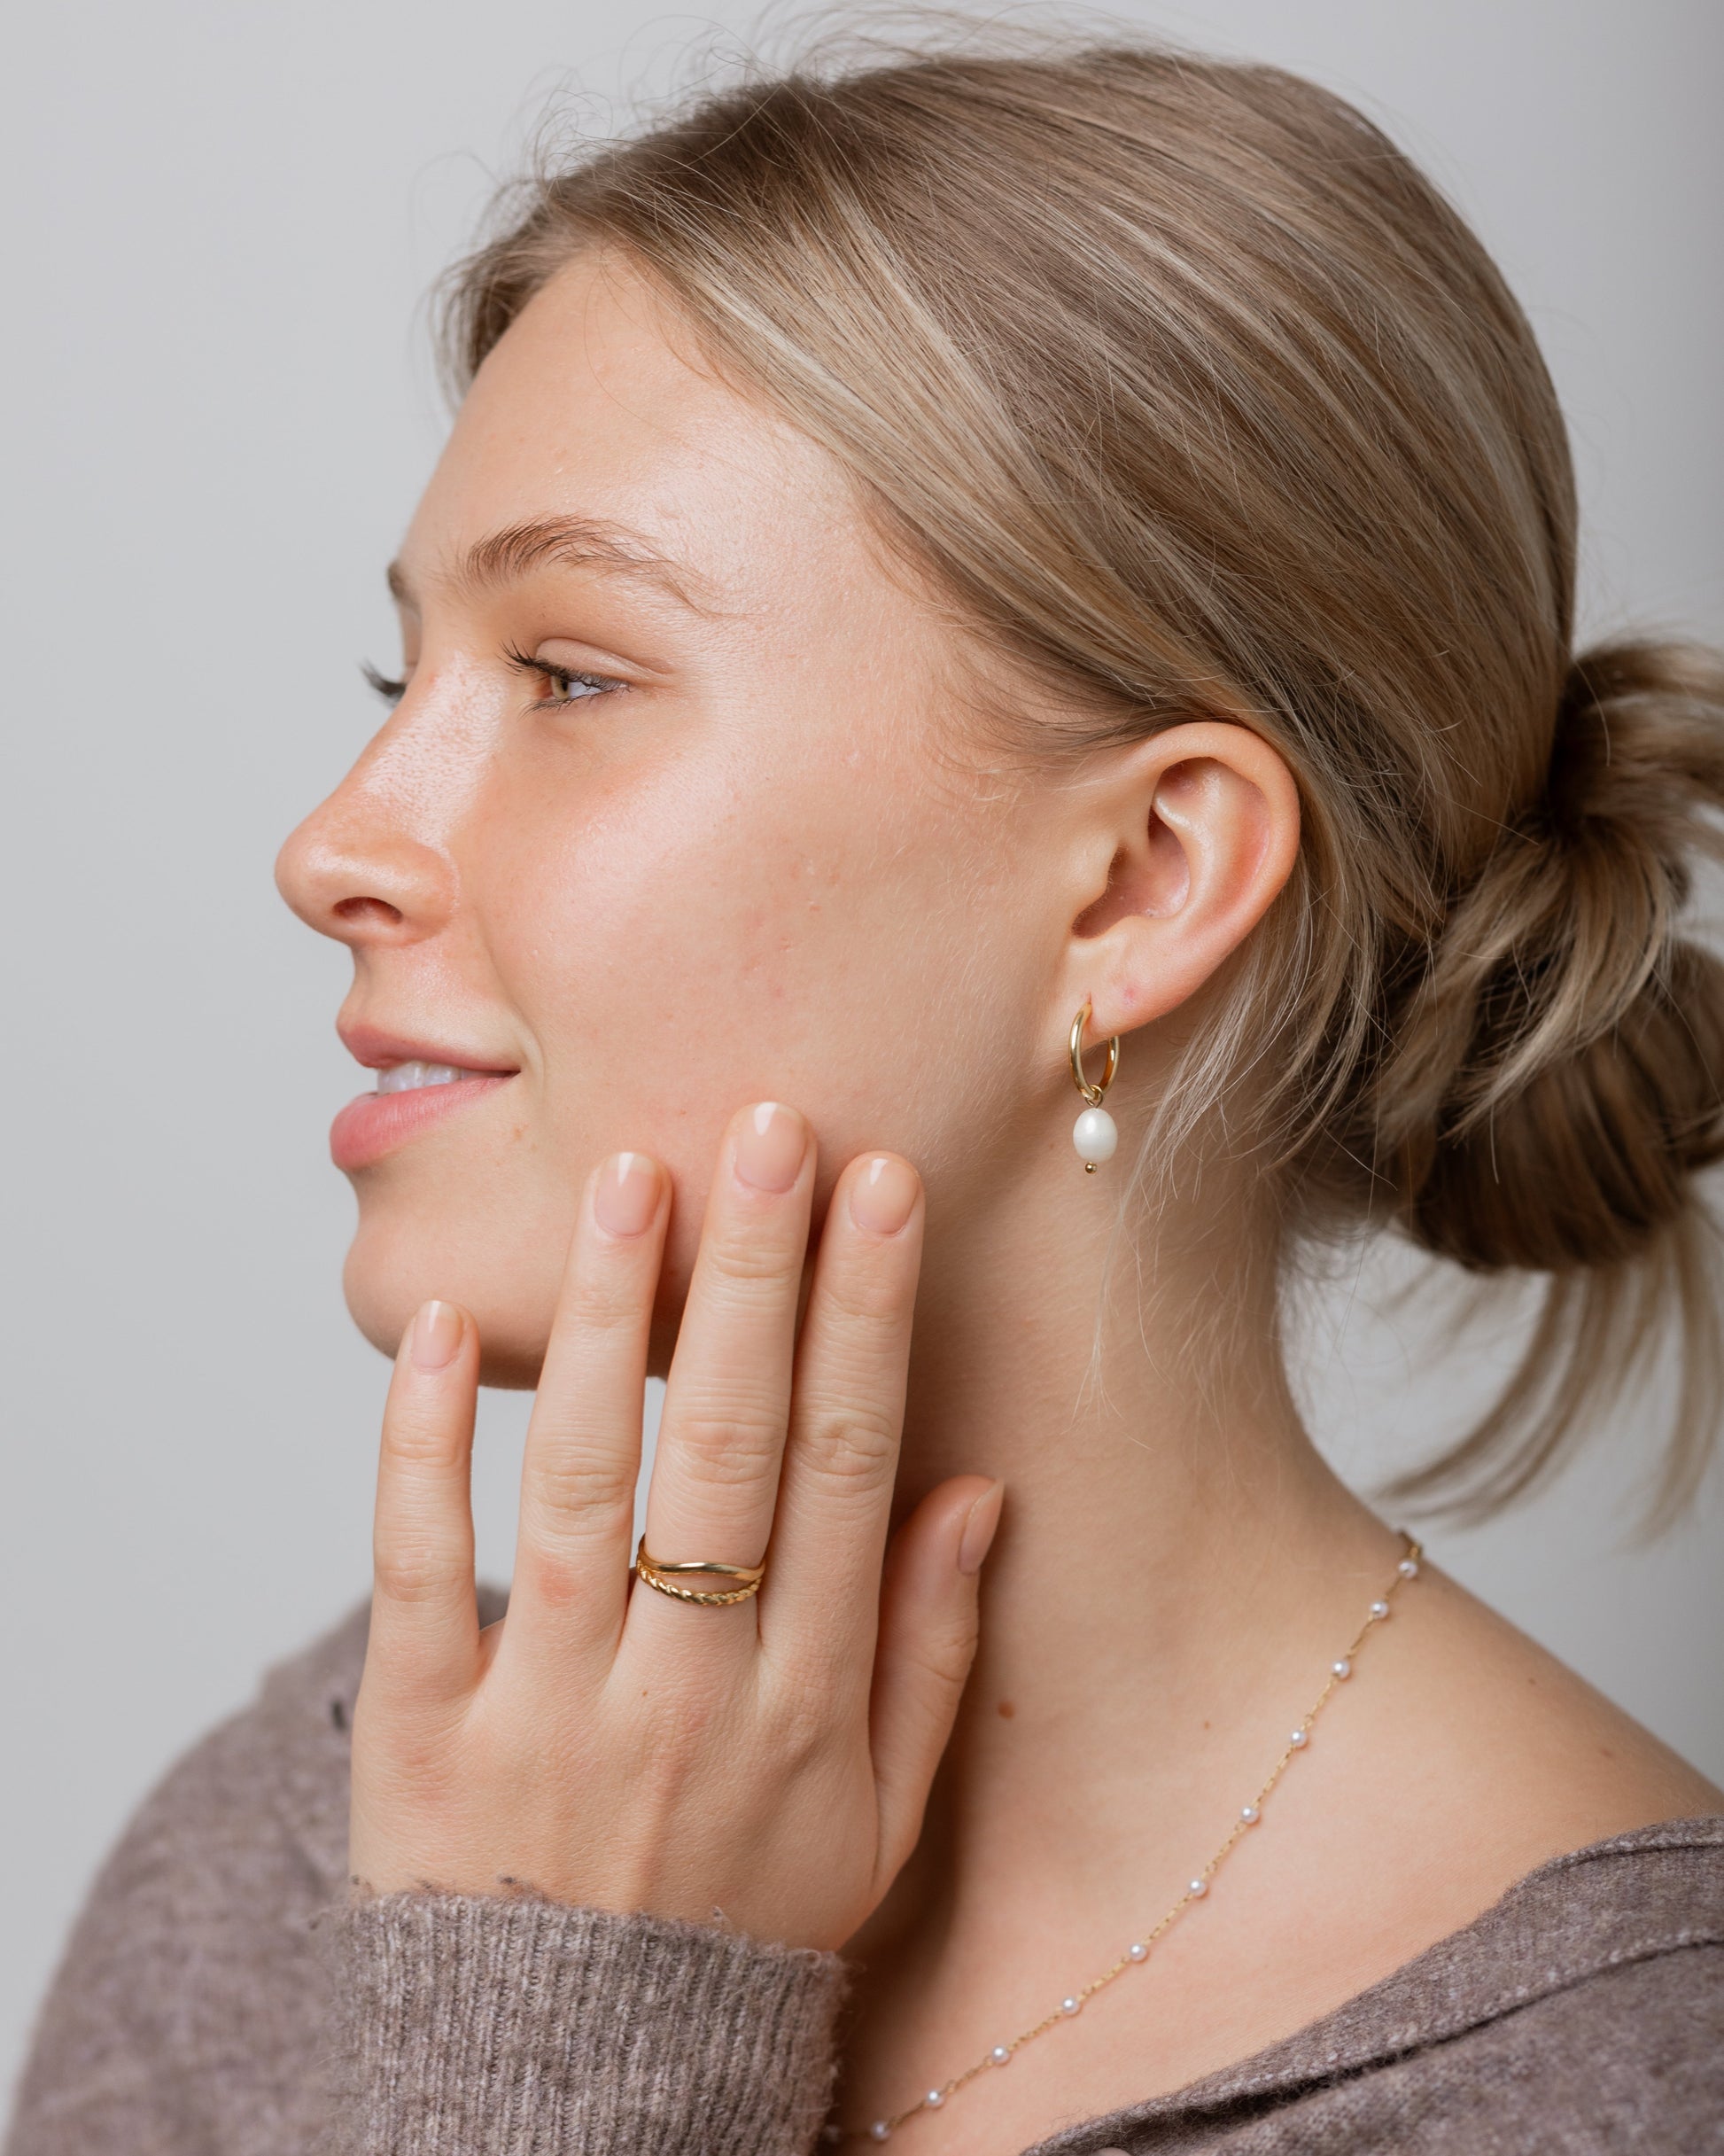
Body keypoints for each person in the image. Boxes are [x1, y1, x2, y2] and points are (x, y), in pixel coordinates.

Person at [9, 32, 1723, 2156]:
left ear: (1145, 880)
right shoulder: (310, 1844)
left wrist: (573, 2046)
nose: (333, 843)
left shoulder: (1614, 2093)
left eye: (566, 675)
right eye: (403, 677)